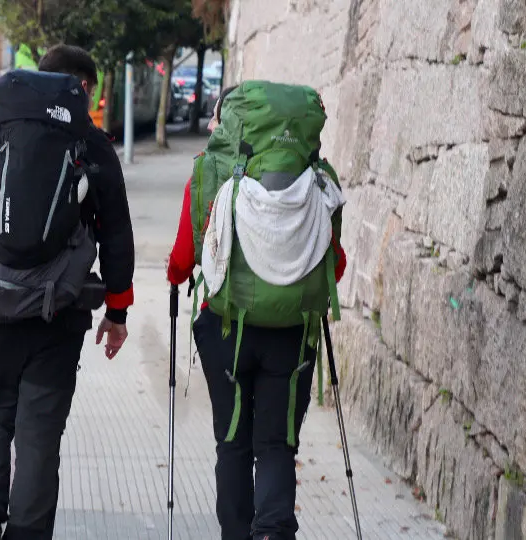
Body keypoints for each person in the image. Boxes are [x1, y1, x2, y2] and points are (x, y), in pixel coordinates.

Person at [0, 44, 135, 540]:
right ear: (82, 88)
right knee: (39, 435)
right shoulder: (92, 146)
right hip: (59, 312)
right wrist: (117, 311)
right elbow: (115, 230)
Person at [167, 84, 348, 540]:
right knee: (276, 444)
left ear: (229, 122)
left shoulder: (210, 171)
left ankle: (236, 533)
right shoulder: (318, 178)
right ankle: (273, 532)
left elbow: (182, 261)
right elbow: (334, 263)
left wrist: (176, 279)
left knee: (232, 441)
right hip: (292, 334)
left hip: (224, 329)